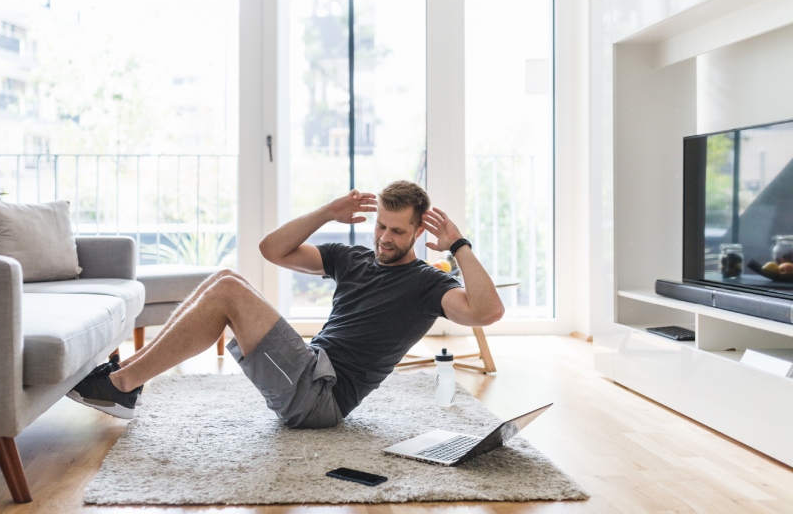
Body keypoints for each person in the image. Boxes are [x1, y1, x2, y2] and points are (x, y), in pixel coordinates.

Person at [67, 180, 504, 428]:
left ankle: (121, 388)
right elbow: (271, 249)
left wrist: (458, 245)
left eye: (398, 232)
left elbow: (488, 312)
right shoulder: (351, 258)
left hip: (323, 398)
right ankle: (126, 379)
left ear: (417, 235)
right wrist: (327, 212)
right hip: (309, 366)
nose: (385, 238)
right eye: (381, 226)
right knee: (225, 278)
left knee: (228, 291)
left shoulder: (426, 283)